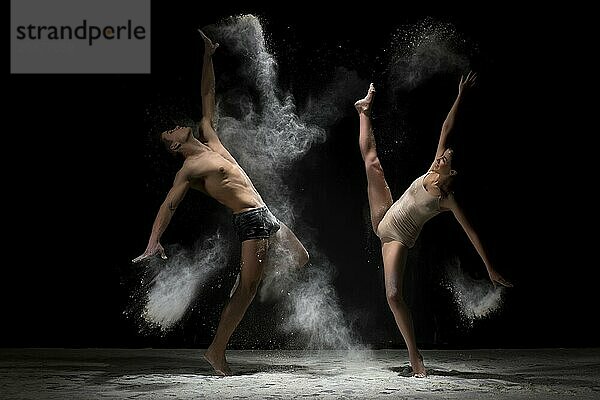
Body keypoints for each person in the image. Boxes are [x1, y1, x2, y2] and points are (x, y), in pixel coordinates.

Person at [132, 30, 309, 376]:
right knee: (246, 291)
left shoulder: (209, 139)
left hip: (266, 214)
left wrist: (208, 57)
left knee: (300, 257)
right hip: (252, 220)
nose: (175, 126)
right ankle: (216, 351)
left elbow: (207, 92)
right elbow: (169, 205)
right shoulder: (190, 168)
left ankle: (250, 278)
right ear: (173, 146)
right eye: (169, 132)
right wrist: (154, 241)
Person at [353, 71, 512, 377]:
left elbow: (472, 234)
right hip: (384, 216)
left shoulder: (446, 199)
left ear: (453, 174)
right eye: (441, 158)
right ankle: (364, 111)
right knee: (372, 162)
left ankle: (415, 358)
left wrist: (489, 267)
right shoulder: (433, 168)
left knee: (393, 296)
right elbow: (446, 127)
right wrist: (460, 97)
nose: (439, 160)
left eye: (445, 161)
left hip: (395, 239)